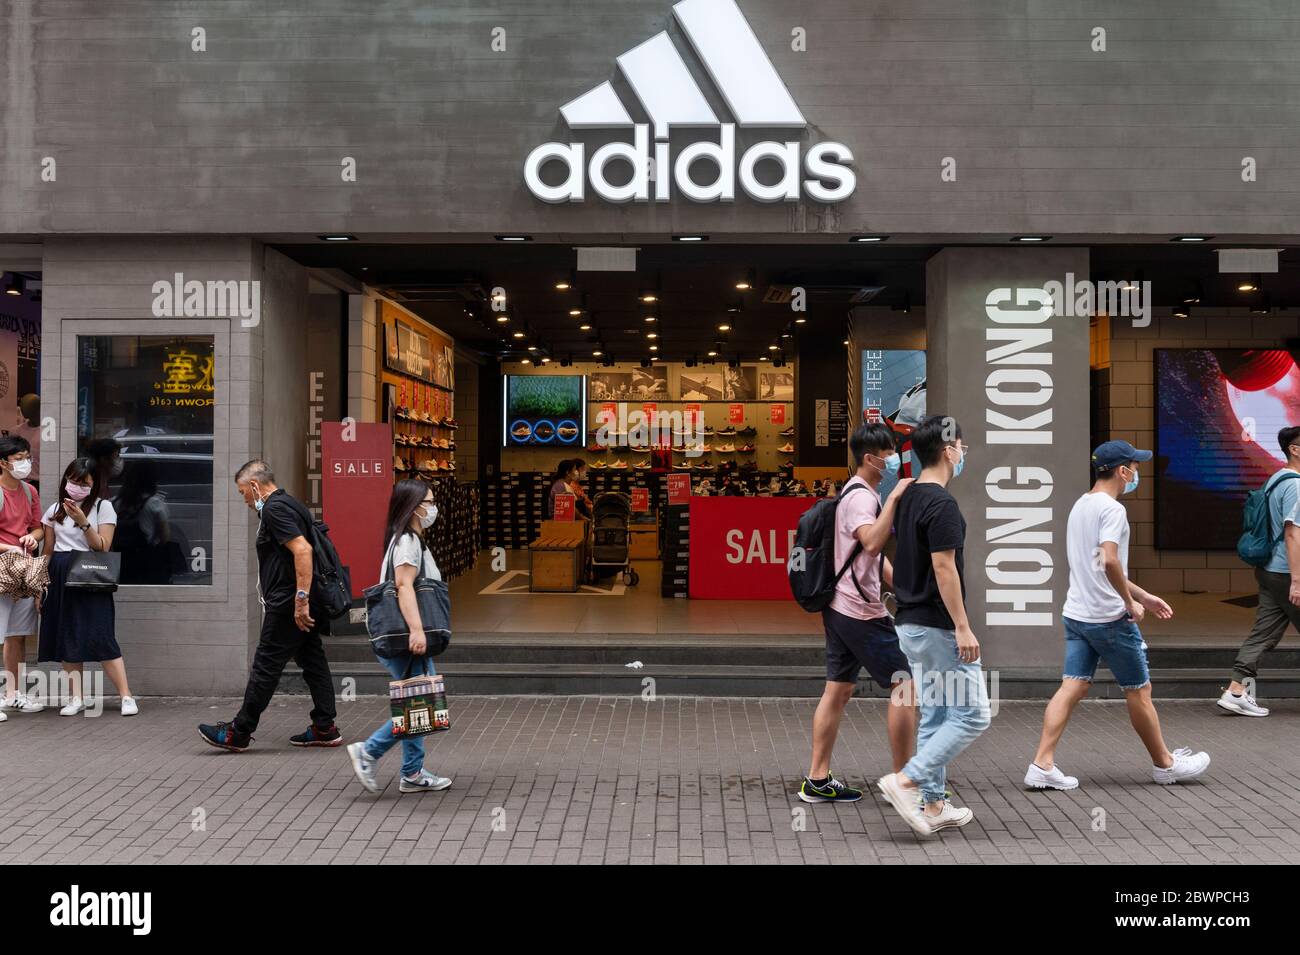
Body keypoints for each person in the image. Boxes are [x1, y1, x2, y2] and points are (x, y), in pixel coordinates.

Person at [1026, 440, 1210, 788]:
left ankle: (1042, 764)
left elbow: (1099, 565)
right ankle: (1165, 765)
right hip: (1109, 619)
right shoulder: (1112, 510)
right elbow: (1109, 560)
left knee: (1072, 687)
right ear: (1122, 471)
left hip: (1078, 615)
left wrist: (1145, 596)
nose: (1137, 474)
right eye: (1135, 468)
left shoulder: (1081, 506)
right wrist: (1129, 602)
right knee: (1139, 691)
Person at [876, 415, 989, 836]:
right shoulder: (941, 504)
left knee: (939, 714)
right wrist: (963, 625)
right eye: (961, 446)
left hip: (911, 624)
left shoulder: (910, 497)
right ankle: (906, 781)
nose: (963, 453)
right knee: (973, 715)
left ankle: (935, 804)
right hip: (938, 627)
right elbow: (944, 568)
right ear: (948, 451)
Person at [800, 423, 918, 803]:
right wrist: (897, 497)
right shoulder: (861, 498)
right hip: (858, 613)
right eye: (888, 454)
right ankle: (904, 781)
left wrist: (899, 586)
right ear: (870, 458)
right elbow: (870, 542)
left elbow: (871, 556)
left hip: (842, 608)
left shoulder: (856, 493)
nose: (892, 459)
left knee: (838, 689)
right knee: (905, 685)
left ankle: (817, 779)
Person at [199, 460, 340, 751]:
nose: (245, 500)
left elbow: (303, 550)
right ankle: (325, 727)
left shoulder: (274, 509)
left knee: (266, 665)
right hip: (296, 598)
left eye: (242, 493)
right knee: (313, 660)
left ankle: (239, 731)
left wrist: (300, 601)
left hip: (288, 604)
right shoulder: (291, 503)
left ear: (254, 485)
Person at [347, 479, 453, 794]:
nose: (433, 508)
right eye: (429, 502)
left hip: (404, 637)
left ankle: (412, 772)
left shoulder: (406, 540)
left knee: (417, 700)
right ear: (413, 506)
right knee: (418, 701)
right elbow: (404, 586)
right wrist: (418, 630)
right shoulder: (407, 541)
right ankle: (369, 751)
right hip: (406, 638)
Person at [38, 457, 137, 716]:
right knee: (67, 635)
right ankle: (76, 698)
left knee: (101, 634)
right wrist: (40, 583)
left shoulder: (103, 507)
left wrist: (83, 521)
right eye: (72, 480)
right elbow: (47, 550)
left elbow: (102, 545)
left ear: (94, 485)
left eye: (83, 483)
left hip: (90, 574)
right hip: (59, 572)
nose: (75, 486)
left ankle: (126, 696)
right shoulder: (53, 509)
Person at [1219, 425, 1300, 717]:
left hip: (1269, 569)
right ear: (1294, 449)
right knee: (1263, 633)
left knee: (1263, 633)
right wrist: (1297, 580)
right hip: (1287, 572)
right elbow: (1293, 534)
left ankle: (1235, 691)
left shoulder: (1277, 479)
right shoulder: (1296, 485)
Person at [0, 436, 44, 717]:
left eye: (26, 456)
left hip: (24, 571)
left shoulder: (30, 492)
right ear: (3, 462)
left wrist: (31, 536)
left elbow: (39, 528)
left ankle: (13, 694)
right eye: (19, 458)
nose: (25, 462)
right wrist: (9, 546)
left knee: (17, 636)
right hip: (2, 568)